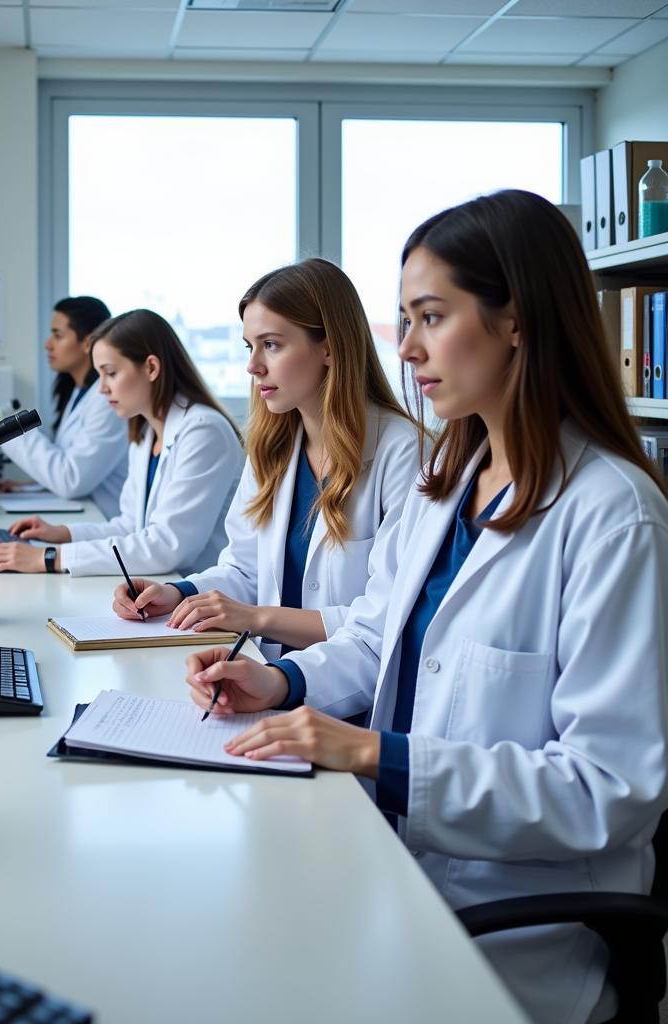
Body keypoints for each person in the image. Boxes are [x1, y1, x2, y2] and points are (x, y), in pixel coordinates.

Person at [182, 191, 668, 1024]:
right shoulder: (447, 480)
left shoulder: (612, 515)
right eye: (403, 320)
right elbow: (375, 638)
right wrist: (284, 685)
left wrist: (380, 755)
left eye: (431, 317)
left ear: (517, 320)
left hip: (511, 926)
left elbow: (608, 789)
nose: (405, 349)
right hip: (386, 861)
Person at [110, 258, 422, 662]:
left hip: (347, 692)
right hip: (267, 672)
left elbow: (385, 617)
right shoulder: (273, 445)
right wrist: (176, 593)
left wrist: (256, 618)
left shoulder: (402, 451)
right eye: (249, 346)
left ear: (329, 347)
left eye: (271, 345)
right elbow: (244, 569)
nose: (252, 366)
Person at [0, 309, 244, 576]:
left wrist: (50, 558)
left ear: (151, 368)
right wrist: (61, 533)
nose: (102, 388)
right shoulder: (145, 433)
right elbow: (130, 526)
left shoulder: (204, 432)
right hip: (162, 589)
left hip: (196, 595)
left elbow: (168, 547)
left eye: (110, 373)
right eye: (100, 375)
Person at [0, 296, 127, 520]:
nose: (48, 344)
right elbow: (74, 465)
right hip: (89, 514)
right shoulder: (79, 393)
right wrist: (29, 487)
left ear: (88, 343)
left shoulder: (107, 400)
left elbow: (71, 480)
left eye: (57, 335)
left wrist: (8, 432)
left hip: (106, 521)